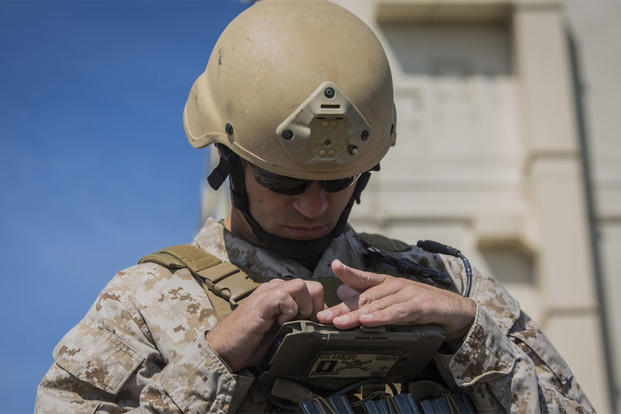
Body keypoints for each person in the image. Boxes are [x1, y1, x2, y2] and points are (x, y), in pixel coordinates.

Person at [35, 1, 595, 413]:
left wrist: (471, 333)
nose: (312, 205)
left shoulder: (451, 285)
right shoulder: (143, 305)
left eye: (340, 181)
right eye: (282, 179)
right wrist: (215, 360)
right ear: (228, 160)